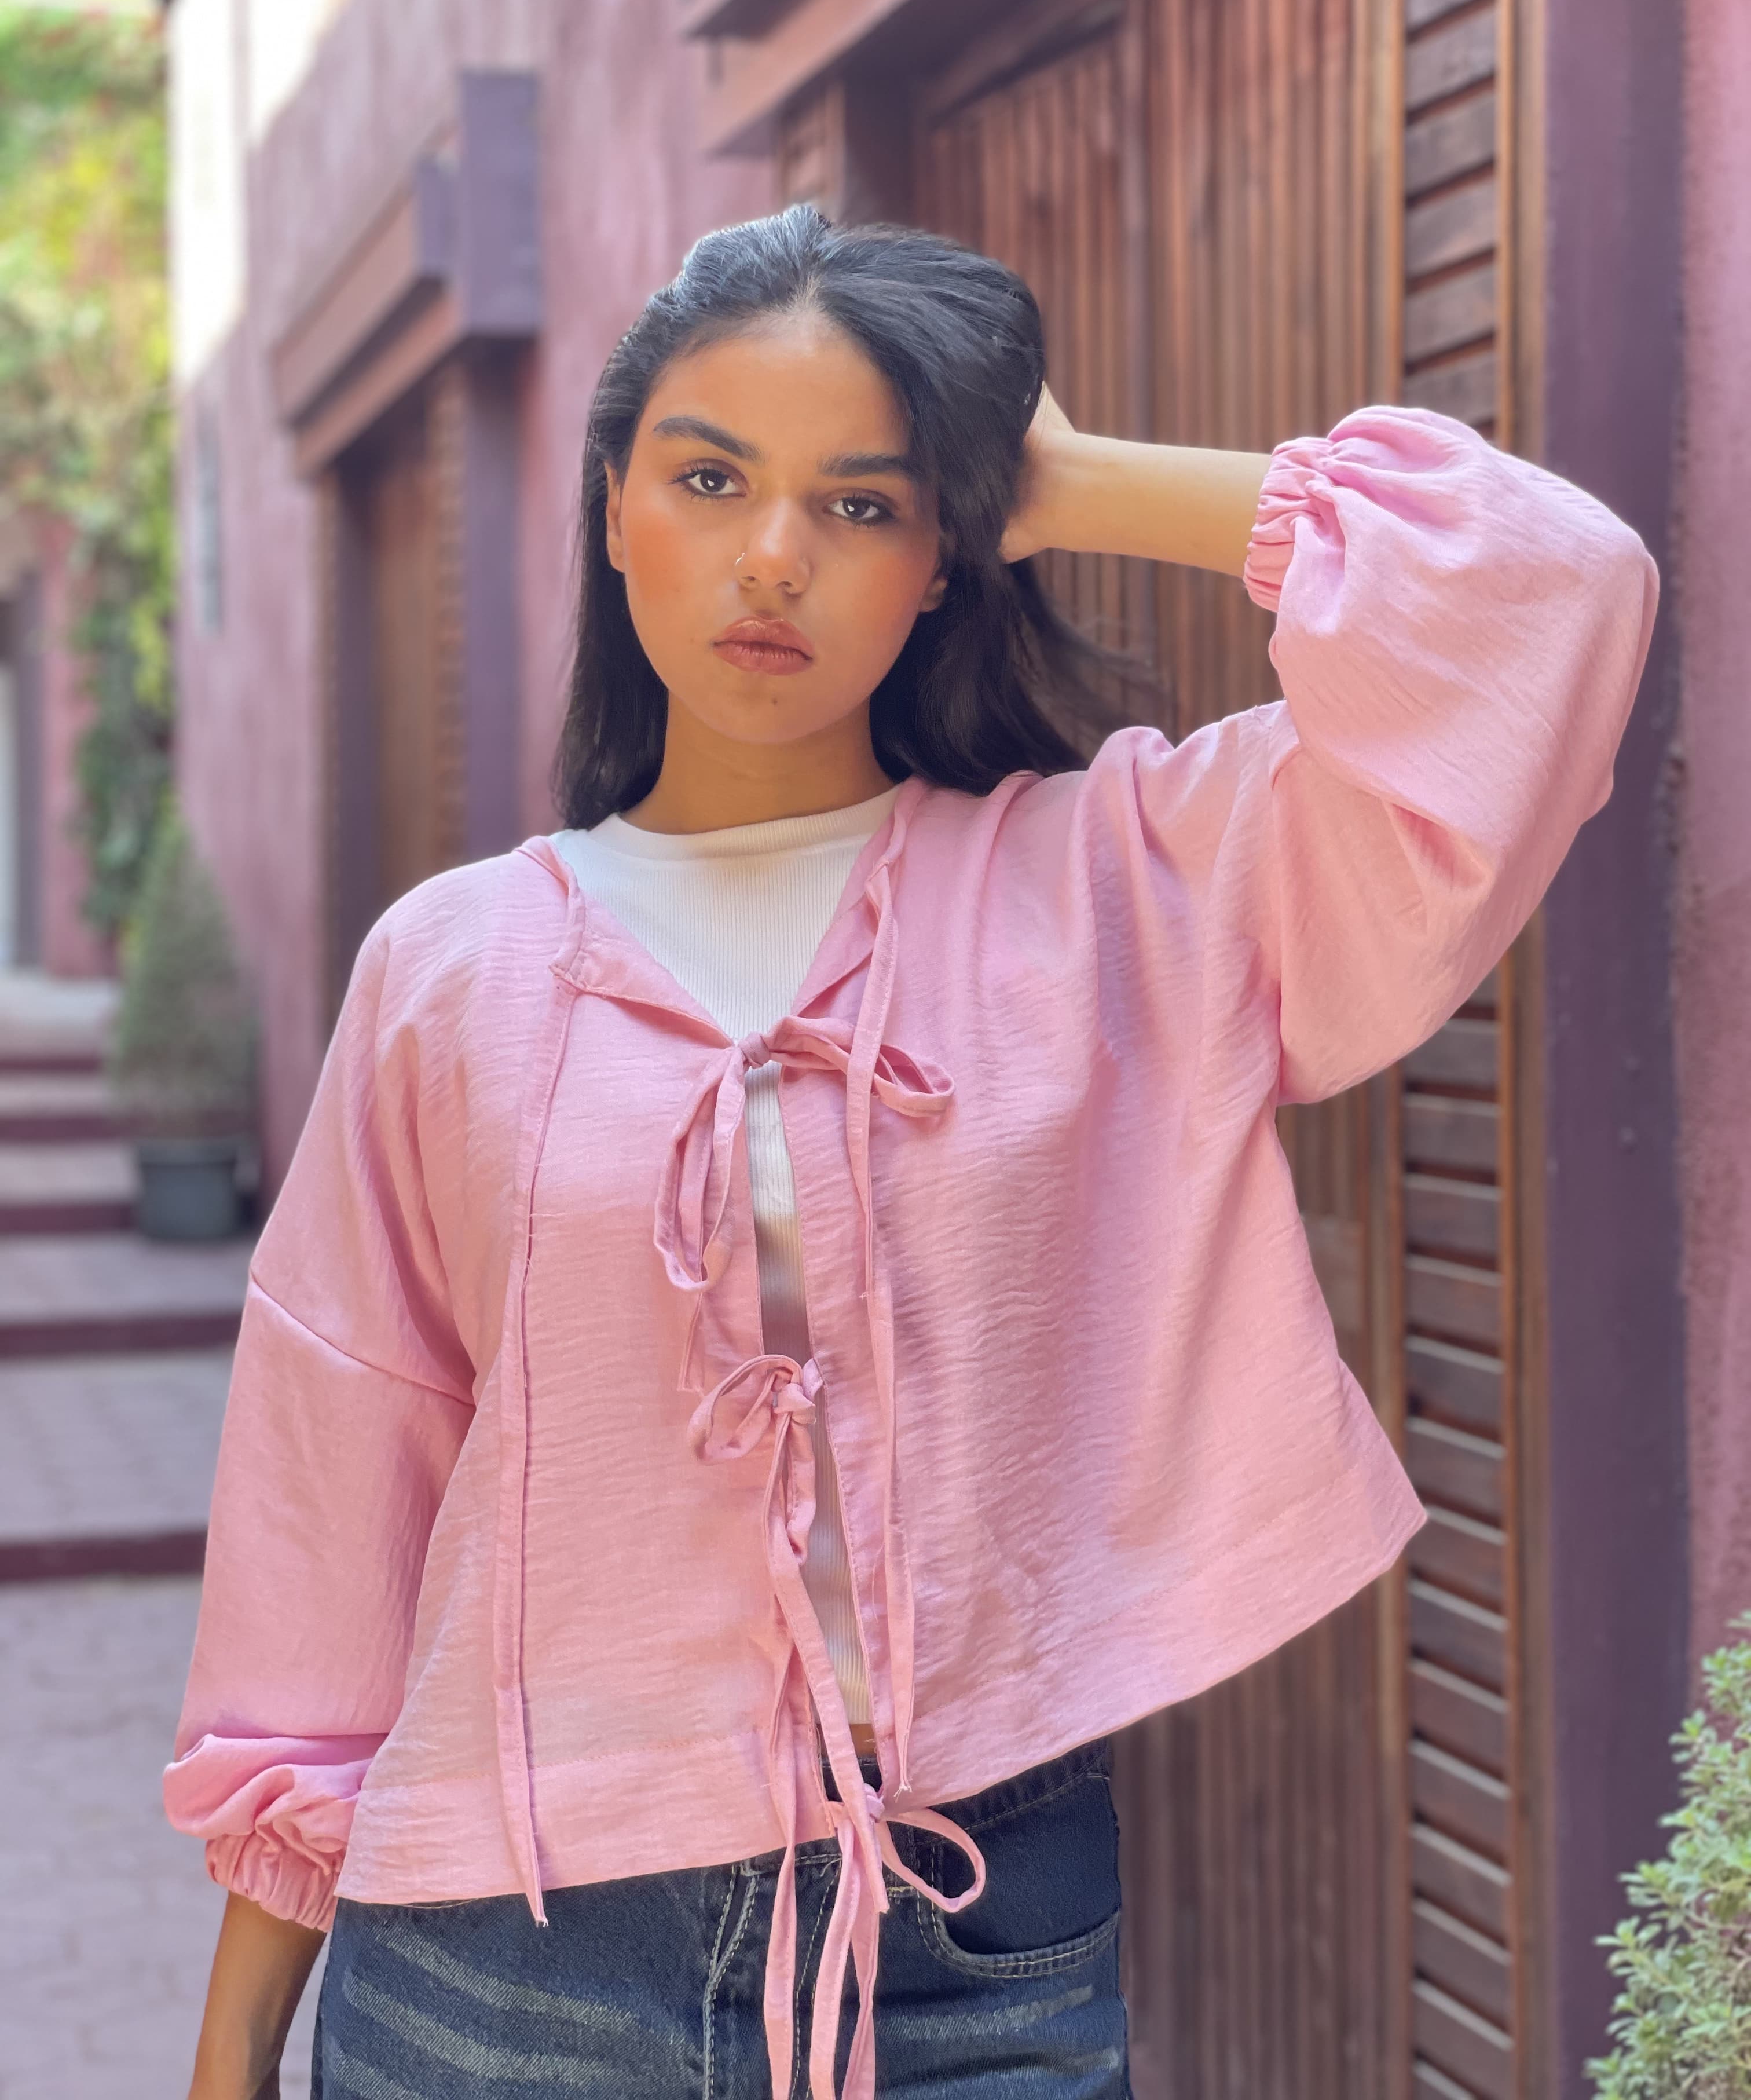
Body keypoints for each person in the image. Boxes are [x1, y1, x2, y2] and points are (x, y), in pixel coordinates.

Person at [168, 205, 1658, 2100]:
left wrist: (1067, 476)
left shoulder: (1126, 884)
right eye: (710, 478)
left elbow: (1557, 591)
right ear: (618, 505)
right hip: (502, 1954)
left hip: (973, 1942)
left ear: (949, 557)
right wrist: (231, 2041)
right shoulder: (448, 967)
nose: (772, 558)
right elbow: (339, 1481)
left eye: (863, 506)